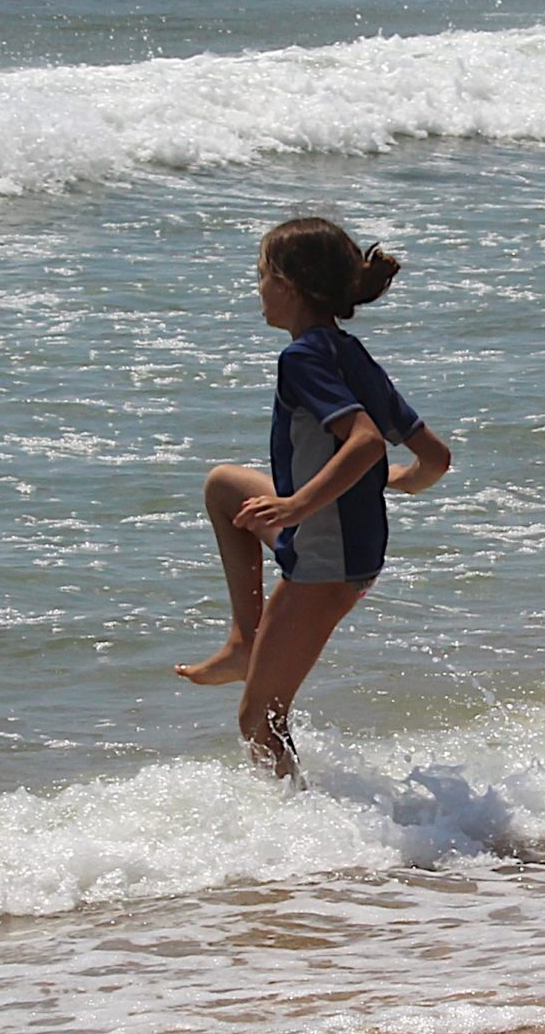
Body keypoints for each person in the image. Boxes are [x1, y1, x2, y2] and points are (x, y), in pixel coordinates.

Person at [175, 218, 452, 782]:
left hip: (327, 559)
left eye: (261, 275)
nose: (257, 288)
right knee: (225, 486)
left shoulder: (301, 358)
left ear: (290, 284)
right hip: (345, 543)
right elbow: (435, 460)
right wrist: (390, 481)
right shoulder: (349, 352)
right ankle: (243, 641)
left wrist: (297, 505)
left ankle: (304, 842)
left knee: (259, 718)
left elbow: (365, 439)